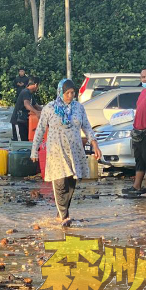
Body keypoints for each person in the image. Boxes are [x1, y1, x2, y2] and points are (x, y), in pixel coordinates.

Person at [31, 79, 102, 228]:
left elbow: (87, 127)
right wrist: (34, 151)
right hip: (56, 151)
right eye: (67, 93)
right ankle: (64, 215)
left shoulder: (78, 108)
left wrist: (95, 144)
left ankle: (62, 212)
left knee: (71, 183)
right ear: (60, 92)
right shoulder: (50, 108)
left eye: (72, 93)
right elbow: (40, 130)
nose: (70, 95)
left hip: (74, 151)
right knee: (60, 183)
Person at [10, 77, 42, 141]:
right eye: (38, 85)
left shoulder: (30, 94)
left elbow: (37, 106)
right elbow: (27, 105)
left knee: (26, 141)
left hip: (24, 121)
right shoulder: (25, 92)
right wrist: (36, 112)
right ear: (35, 85)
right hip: (18, 121)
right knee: (20, 144)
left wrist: (47, 111)